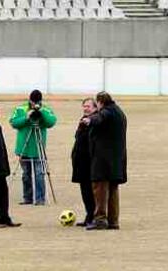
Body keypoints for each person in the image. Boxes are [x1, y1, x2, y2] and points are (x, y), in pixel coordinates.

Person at [81, 91, 127, 230]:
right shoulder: (120, 113)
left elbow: (100, 117)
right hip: (116, 160)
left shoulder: (106, 112)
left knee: (100, 189)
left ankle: (100, 219)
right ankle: (113, 221)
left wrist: (89, 120)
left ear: (100, 103)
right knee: (113, 190)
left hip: (103, 161)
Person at [9, 90, 57, 205]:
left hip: (38, 148)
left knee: (39, 174)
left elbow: (51, 122)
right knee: (26, 175)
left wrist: (41, 113)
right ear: (29, 99)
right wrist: (26, 117)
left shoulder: (45, 109)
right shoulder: (21, 109)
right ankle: (28, 198)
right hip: (23, 148)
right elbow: (13, 123)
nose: (35, 103)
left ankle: (40, 199)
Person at [71, 98, 97, 227]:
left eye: (88, 106)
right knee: (85, 191)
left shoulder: (95, 121)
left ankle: (93, 216)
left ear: (95, 108)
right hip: (80, 163)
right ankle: (89, 215)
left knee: (91, 192)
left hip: (89, 163)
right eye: (84, 106)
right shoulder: (83, 120)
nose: (86, 108)